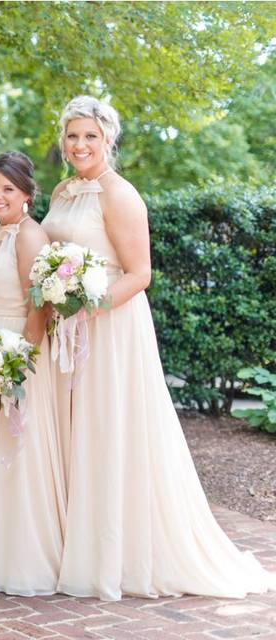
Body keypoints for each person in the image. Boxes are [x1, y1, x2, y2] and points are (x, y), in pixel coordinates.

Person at [43, 95, 274, 600]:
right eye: (72, 135)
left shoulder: (120, 194)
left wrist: (88, 304)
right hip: (65, 328)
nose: (79, 144)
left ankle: (112, 551)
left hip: (108, 329)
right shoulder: (62, 191)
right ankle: (69, 541)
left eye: (90, 136)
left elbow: (140, 274)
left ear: (108, 140)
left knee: (107, 429)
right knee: (72, 430)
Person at [0, 152, 66, 596]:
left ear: (26, 194)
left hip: (14, 350)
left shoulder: (30, 236)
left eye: (8, 189)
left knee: (15, 450)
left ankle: (19, 558)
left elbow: (38, 306)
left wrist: (19, 364)